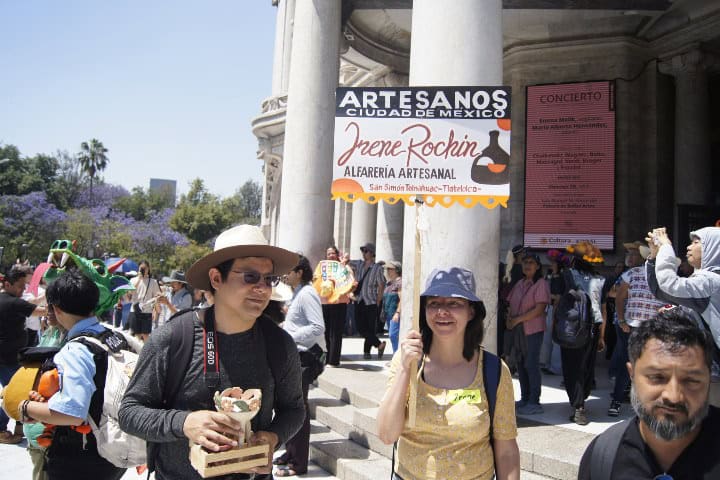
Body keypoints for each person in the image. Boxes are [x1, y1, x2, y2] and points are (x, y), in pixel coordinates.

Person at [118, 224, 305, 480]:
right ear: (216, 279)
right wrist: (184, 423)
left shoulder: (280, 345)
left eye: (269, 279)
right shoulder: (173, 339)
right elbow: (129, 412)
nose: (262, 288)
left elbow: (294, 410)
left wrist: (272, 437)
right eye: (250, 277)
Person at [377, 267, 520, 480]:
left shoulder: (494, 370)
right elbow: (387, 434)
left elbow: (506, 450)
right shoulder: (407, 361)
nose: (442, 311)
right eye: (434, 303)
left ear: (471, 311)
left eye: (454, 303)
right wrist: (406, 369)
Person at [578, 307, 720, 479]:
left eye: (691, 380)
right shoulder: (603, 456)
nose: (673, 396)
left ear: (709, 379)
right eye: (657, 377)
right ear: (632, 374)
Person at [20, 270, 126, 480]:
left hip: (80, 458)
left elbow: (72, 413)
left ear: (56, 309)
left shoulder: (75, 351)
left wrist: (26, 408)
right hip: (112, 450)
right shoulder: (113, 337)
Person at [646, 226, 720, 407]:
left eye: (696, 242)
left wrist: (665, 247)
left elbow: (669, 284)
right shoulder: (705, 280)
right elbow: (660, 291)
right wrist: (655, 257)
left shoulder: (711, 282)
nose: (689, 247)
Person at [274, 255, 326, 477]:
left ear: (300, 272)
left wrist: (289, 335)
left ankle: (298, 463)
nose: (285, 274)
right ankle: (290, 451)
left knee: (299, 409)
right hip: (297, 356)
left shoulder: (307, 294)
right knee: (289, 407)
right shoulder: (298, 294)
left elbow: (317, 327)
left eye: (290, 270)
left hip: (307, 357)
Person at [608, 241, 664, 417]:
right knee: (628, 363)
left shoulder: (664, 277)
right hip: (631, 326)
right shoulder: (632, 273)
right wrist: (622, 320)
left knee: (649, 366)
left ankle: (645, 404)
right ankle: (617, 401)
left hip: (653, 329)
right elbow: (619, 297)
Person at [560, 242, 606, 425]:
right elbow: (603, 311)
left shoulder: (569, 275)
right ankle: (582, 401)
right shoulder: (601, 280)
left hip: (573, 328)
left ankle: (578, 407)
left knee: (572, 366)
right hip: (593, 328)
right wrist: (602, 336)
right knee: (586, 366)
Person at [0, 264, 47, 444]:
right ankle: (1, 429)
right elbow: (40, 311)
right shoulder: (13, 302)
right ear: (8, 284)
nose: (21, 290)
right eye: (19, 286)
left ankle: (17, 428)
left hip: (7, 356)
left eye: (23, 286)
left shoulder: (5, 300)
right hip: (8, 358)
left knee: (13, 393)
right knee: (12, 394)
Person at [23, 300, 67, 480]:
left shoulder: (71, 341)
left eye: (53, 307)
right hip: (35, 428)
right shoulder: (48, 334)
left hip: (51, 430)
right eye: (47, 306)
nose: (47, 311)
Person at [506, 253, 550, 415]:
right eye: (525, 262)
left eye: (531, 262)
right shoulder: (520, 283)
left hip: (532, 330)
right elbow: (510, 304)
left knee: (531, 364)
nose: (527, 265)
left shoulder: (541, 284)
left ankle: (534, 402)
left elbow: (539, 309)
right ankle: (525, 398)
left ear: (538, 266)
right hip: (518, 330)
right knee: (520, 364)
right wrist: (510, 319)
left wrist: (517, 320)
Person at [352, 243, 387, 360]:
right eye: (363, 251)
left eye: (366, 251)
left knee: (369, 328)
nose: (363, 253)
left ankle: (367, 351)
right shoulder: (359, 264)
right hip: (359, 299)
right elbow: (347, 263)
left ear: (372, 253)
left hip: (371, 300)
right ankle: (379, 344)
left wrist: (378, 299)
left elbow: (381, 284)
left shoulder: (377, 268)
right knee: (360, 328)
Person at [318, 246, 352, 366]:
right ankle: (326, 358)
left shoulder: (344, 267)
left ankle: (334, 360)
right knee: (326, 332)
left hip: (339, 302)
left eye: (333, 253)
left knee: (336, 333)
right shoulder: (322, 267)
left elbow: (351, 281)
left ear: (337, 255)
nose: (330, 255)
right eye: (328, 254)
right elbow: (317, 281)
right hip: (325, 302)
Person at [128, 260, 160, 342]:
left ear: (148, 269)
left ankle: (146, 353)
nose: (143, 270)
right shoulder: (133, 280)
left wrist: (156, 311)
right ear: (138, 268)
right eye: (141, 268)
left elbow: (156, 297)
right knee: (136, 334)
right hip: (135, 310)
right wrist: (139, 279)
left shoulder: (153, 282)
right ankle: (138, 352)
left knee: (146, 335)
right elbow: (129, 294)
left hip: (147, 311)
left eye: (145, 268)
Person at [382, 260, 402, 354]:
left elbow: (402, 299)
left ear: (396, 270)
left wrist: (397, 313)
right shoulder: (389, 283)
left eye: (390, 269)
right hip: (389, 314)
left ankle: (396, 357)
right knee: (392, 336)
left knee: (393, 335)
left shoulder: (399, 282)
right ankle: (395, 356)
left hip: (395, 314)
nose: (388, 271)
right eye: (387, 269)